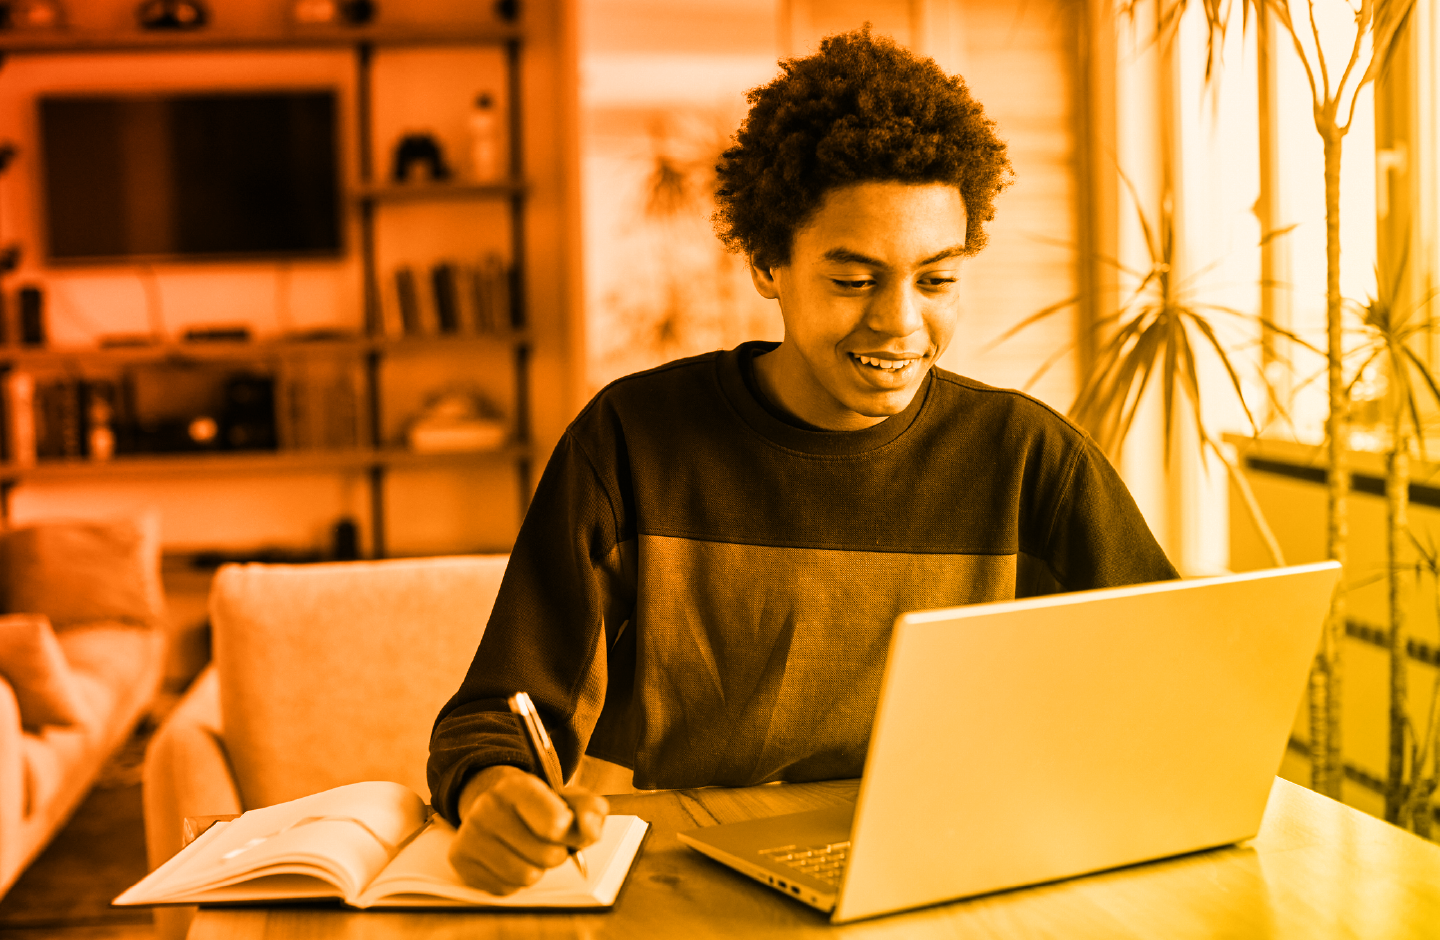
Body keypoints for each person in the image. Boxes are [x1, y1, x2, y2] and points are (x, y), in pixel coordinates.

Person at [428, 27, 1177, 895]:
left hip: (955, 883)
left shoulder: (1029, 461)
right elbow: (494, 717)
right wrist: (496, 793)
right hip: (685, 888)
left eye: (936, 280)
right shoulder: (634, 442)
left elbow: (1170, 695)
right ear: (766, 263)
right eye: (854, 279)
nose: (900, 324)